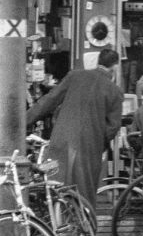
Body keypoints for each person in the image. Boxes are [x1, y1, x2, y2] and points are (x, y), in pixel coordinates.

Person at [26, 48, 124, 209]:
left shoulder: (75, 76)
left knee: (56, 186)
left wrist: (25, 120)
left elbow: (49, 101)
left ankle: (56, 227)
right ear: (115, 67)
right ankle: (85, 230)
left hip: (61, 139)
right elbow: (113, 126)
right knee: (84, 192)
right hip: (89, 146)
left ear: (98, 61)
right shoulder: (115, 91)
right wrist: (100, 140)